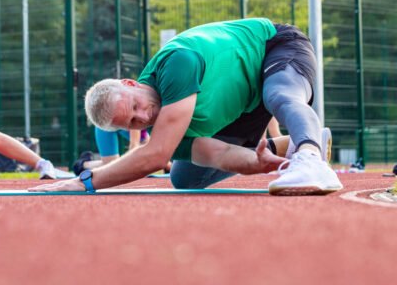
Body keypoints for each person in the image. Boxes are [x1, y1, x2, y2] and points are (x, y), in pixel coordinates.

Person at [31, 18, 342, 195]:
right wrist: (265, 164)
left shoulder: (176, 63)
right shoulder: (162, 123)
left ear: (130, 83)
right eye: (134, 123)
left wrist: (84, 182)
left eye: (136, 106)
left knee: (279, 94)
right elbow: (218, 154)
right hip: (244, 105)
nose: (145, 116)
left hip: (274, 47)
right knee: (186, 178)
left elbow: (156, 155)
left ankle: (310, 155)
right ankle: (294, 147)